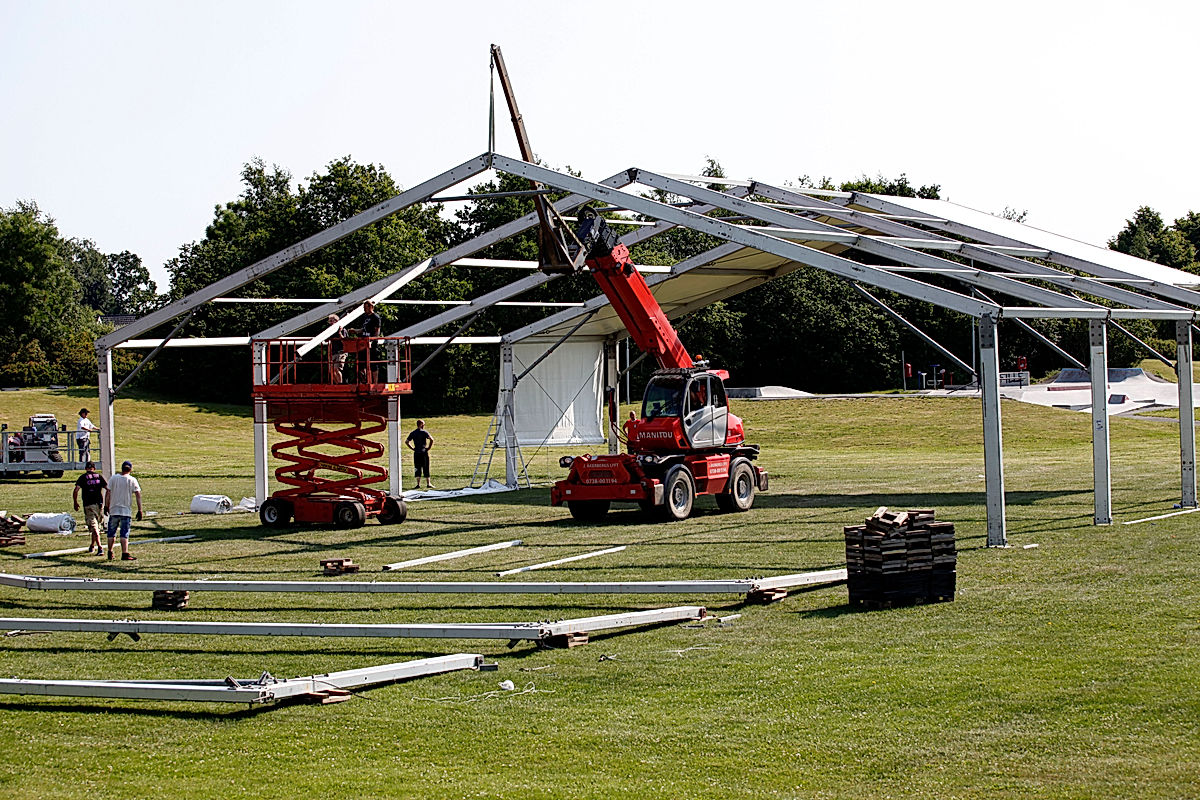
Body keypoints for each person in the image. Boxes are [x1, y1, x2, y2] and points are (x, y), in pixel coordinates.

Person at [104, 460, 143, 561]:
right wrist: (140, 510)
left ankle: (110, 551)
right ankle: (124, 553)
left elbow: (108, 493)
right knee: (124, 533)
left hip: (114, 510)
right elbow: (138, 494)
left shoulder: (113, 478)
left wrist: (106, 505)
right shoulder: (132, 480)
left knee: (111, 532)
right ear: (130, 469)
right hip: (126, 511)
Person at [73, 461, 107, 555]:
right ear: (94, 468)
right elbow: (108, 488)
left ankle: (100, 548)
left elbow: (76, 490)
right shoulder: (99, 477)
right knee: (95, 525)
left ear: (86, 468)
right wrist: (107, 503)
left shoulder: (83, 477)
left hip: (88, 505)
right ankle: (92, 545)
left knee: (94, 527)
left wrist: (75, 502)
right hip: (99, 505)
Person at [405, 419, 435, 490]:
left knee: (417, 467)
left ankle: (418, 484)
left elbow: (406, 441)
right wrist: (429, 447)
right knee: (426, 467)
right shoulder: (424, 432)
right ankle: (428, 483)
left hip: (417, 452)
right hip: (424, 452)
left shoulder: (413, 433)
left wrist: (412, 448)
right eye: (423, 424)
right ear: (421, 424)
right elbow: (431, 439)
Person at [359, 300, 384, 382]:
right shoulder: (364, 317)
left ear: (371, 307)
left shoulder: (376, 317)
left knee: (373, 364)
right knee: (362, 363)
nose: (364, 309)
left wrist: (372, 340)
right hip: (363, 343)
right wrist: (355, 331)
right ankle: (365, 381)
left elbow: (377, 331)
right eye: (364, 308)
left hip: (372, 345)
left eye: (366, 307)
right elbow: (363, 329)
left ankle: (375, 382)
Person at [326, 314, 347, 384]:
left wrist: (339, 333)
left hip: (341, 352)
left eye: (332, 321)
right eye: (330, 321)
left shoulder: (343, 330)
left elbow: (345, 340)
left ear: (336, 321)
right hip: (333, 352)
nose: (331, 323)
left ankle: (340, 383)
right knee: (330, 370)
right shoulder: (331, 331)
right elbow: (326, 340)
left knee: (336, 368)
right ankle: (337, 383)